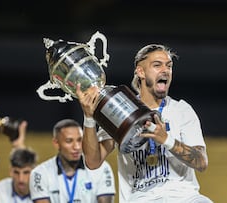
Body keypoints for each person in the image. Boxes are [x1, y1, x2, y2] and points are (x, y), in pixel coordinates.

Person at [76, 44, 213, 203]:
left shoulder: (181, 109)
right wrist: (89, 118)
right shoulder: (121, 109)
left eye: (169, 66)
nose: (165, 70)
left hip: (185, 197)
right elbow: (93, 162)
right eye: (157, 65)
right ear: (140, 72)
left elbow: (201, 162)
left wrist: (166, 140)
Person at [29, 119, 116, 203]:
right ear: (56, 143)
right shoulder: (40, 173)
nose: (77, 147)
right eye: (69, 141)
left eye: (79, 140)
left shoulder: (102, 168)